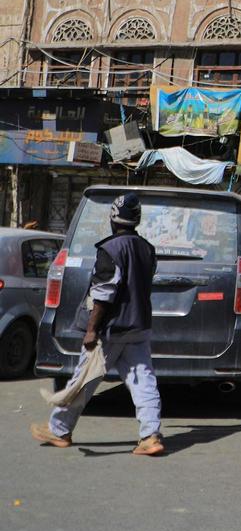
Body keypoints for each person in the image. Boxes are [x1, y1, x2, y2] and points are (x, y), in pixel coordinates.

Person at [31, 193, 165, 456]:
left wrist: (91, 330)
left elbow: (104, 294)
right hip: (138, 327)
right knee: (144, 383)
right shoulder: (147, 249)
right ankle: (150, 436)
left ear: (113, 218)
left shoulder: (110, 250)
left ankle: (59, 431)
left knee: (84, 379)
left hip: (110, 329)